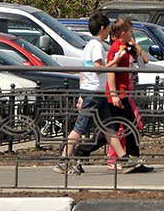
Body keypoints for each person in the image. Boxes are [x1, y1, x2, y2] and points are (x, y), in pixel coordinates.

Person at [56, 13, 141, 175]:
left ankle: (124, 159)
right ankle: (63, 160)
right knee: (80, 128)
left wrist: (82, 92)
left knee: (109, 128)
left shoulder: (89, 45)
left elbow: (84, 71)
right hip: (94, 93)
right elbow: (97, 68)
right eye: (108, 27)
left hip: (96, 92)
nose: (109, 31)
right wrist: (115, 60)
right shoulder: (96, 46)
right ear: (102, 28)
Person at [103, 19, 153, 172]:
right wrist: (114, 94)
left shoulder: (127, 47)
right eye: (131, 32)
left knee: (125, 126)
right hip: (119, 93)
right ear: (123, 33)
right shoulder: (116, 48)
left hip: (125, 92)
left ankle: (132, 159)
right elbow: (111, 72)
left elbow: (145, 60)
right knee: (127, 126)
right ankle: (125, 159)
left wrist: (135, 45)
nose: (132, 35)